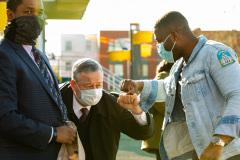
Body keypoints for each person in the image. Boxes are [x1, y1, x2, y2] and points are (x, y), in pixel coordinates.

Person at [119, 11, 240, 160]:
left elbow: (237, 96)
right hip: (203, 151)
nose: (158, 47)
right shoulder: (179, 65)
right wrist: (138, 85)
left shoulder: (215, 54)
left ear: (175, 36)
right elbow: (168, 89)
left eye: (160, 41)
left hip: (229, 151)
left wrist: (218, 141)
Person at [0, 0, 77, 159]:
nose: (36, 18)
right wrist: (54, 134)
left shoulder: (39, 55)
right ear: (10, 15)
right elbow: (5, 117)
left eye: (40, 13)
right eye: (29, 12)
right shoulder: (3, 54)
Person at [60, 58, 154, 160]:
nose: (95, 90)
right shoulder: (55, 99)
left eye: (99, 85)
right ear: (73, 85)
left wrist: (136, 109)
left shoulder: (112, 104)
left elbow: (143, 133)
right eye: (89, 86)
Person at [141, 60, 173, 160]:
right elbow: (157, 98)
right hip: (163, 129)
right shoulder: (164, 76)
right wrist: (174, 112)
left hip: (167, 129)